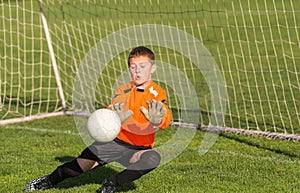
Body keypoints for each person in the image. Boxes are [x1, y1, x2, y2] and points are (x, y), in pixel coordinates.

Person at [24, 46, 172, 193]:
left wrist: (158, 120)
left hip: (138, 150)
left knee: (153, 158)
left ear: (152, 68)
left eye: (142, 66)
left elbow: (165, 116)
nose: (137, 71)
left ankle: (110, 184)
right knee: (73, 170)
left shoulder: (157, 93)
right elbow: (110, 111)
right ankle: (47, 181)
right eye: (133, 67)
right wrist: (114, 116)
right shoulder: (123, 90)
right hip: (113, 142)